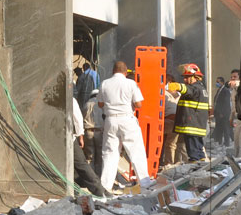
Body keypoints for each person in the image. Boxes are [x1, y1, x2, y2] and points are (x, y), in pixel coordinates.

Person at [97, 61, 150, 193]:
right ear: (125, 72)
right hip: (127, 119)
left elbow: (100, 104)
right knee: (136, 152)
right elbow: (138, 105)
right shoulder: (130, 83)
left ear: (113, 71)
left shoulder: (105, 83)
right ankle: (145, 184)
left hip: (110, 120)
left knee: (110, 153)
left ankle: (105, 186)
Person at [168, 63, 209, 161]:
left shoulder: (195, 88)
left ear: (195, 77)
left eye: (187, 77)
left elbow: (188, 90)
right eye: (184, 77)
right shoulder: (201, 88)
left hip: (192, 125)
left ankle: (195, 164)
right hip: (197, 124)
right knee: (198, 149)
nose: (185, 80)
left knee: (193, 150)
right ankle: (201, 162)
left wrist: (178, 86)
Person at [71, 94, 105, 196]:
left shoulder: (86, 104)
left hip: (88, 131)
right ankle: (98, 183)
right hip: (99, 132)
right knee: (98, 159)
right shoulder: (101, 105)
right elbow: (78, 119)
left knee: (89, 158)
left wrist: (81, 135)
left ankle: (94, 184)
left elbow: (81, 116)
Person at [160, 73, 180, 167]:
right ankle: (170, 163)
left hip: (169, 121)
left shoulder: (163, 93)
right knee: (172, 145)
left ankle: (168, 164)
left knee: (169, 144)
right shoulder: (178, 94)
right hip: (175, 121)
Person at [212, 71, 236, 147]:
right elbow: (216, 101)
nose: (216, 83)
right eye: (216, 82)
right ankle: (219, 142)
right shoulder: (219, 90)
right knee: (219, 128)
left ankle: (227, 143)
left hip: (224, 114)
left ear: (222, 82)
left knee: (226, 129)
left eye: (218, 82)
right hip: (218, 113)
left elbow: (225, 103)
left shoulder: (225, 91)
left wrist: (222, 113)